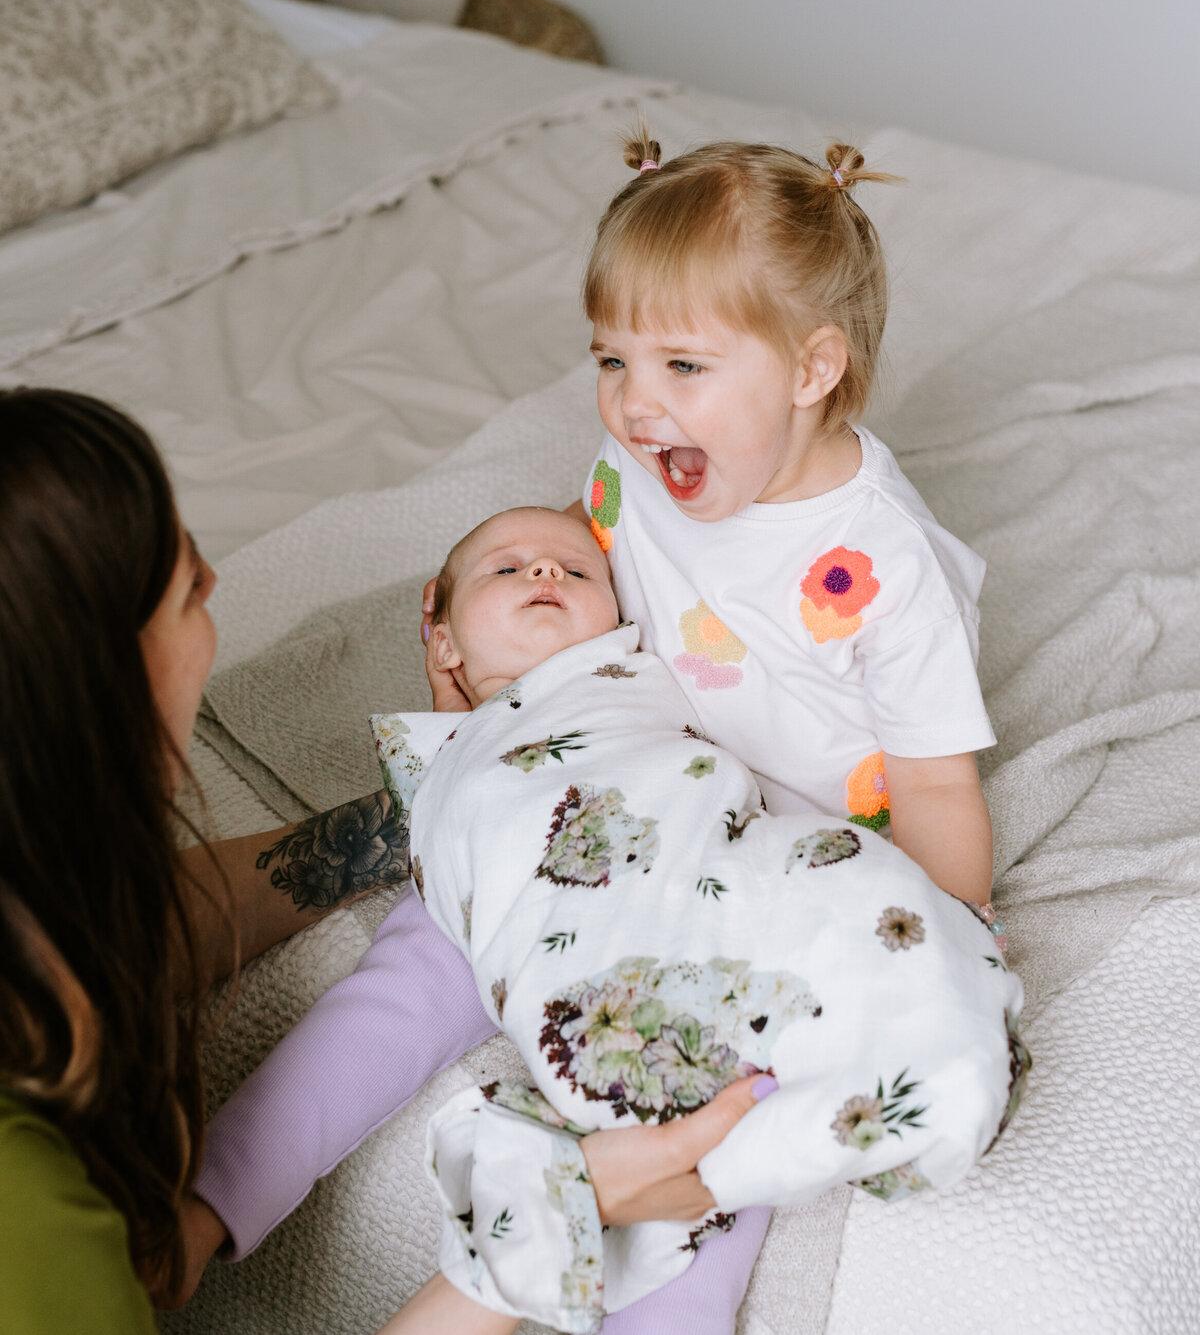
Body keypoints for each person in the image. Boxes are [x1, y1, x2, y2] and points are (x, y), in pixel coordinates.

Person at [190, 135, 1003, 1327]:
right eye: (613, 357)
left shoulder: (880, 566)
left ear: (812, 368)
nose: (634, 399)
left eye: (681, 361)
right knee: (418, 963)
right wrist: (504, 640)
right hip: (619, 790)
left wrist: (949, 947)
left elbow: (936, 788)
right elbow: (594, 546)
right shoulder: (642, 459)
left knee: (701, 1159)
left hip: (763, 866)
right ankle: (208, 1204)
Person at [195, 505, 1024, 1334]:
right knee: (367, 1023)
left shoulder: (644, 674)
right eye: (507, 569)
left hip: (672, 899)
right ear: (441, 637)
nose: (546, 573)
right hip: (483, 890)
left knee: (709, 1159)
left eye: (575, 570)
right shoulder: (438, 756)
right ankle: (204, 1208)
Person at [0, 388, 412, 1331]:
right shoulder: (26, 1218)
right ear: (96, 694)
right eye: (184, 585)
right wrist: (515, 1258)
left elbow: (109, 926)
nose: (216, 577)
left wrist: (407, 821)